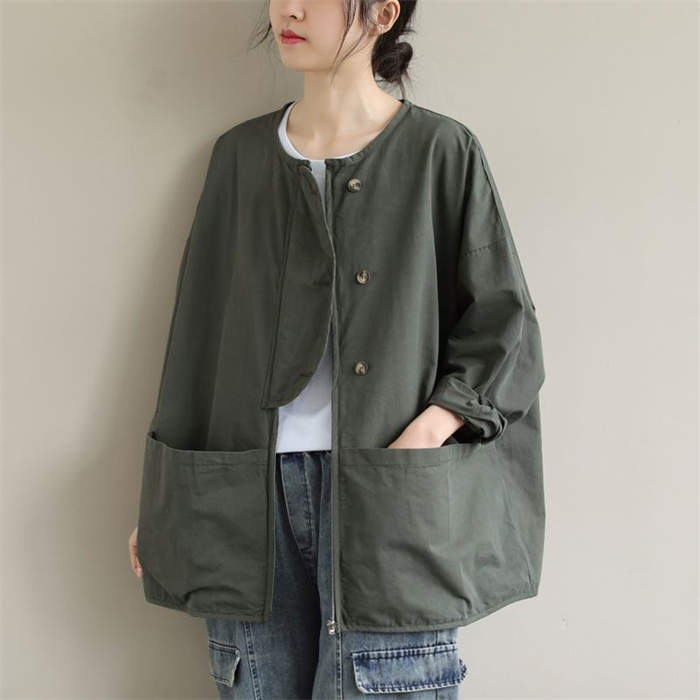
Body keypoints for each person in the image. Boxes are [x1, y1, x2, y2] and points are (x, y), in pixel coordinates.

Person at [128, 0, 546, 697]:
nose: (288, 9)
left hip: (392, 494)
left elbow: (507, 327)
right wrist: (169, 502)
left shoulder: (440, 152)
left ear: (382, 13)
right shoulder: (238, 158)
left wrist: (429, 430)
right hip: (244, 503)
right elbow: (197, 343)